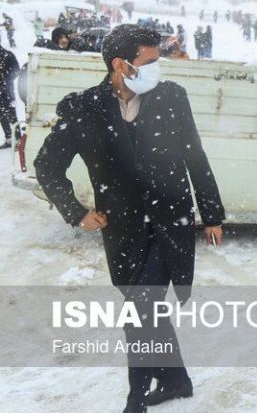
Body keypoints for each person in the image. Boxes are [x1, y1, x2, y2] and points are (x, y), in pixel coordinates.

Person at [34, 24, 225, 413]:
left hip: (171, 222)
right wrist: (77, 212)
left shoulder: (172, 97)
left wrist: (212, 215)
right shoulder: (85, 108)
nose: (158, 68)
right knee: (147, 307)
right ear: (120, 65)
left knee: (140, 308)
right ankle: (176, 380)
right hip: (122, 230)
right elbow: (47, 164)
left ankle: (135, 399)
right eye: (149, 61)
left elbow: (194, 157)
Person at [0, 45, 19, 148]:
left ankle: (18, 138)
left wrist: (6, 79)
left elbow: (17, 69)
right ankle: (9, 139)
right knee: (1, 115)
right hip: (3, 89)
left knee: (11, 114)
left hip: (7, 91)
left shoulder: (7, 54)